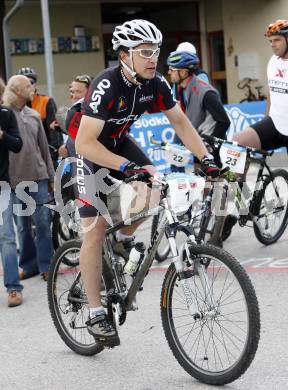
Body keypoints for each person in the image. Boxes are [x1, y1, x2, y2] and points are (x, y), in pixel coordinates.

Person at [74, 19, 220, 347]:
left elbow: (180, 122)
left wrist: (207, 159)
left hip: (119, 142)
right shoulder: (107, 85)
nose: (153, 58)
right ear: (125, 55)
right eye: (144, 52)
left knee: (156, 185)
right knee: (95, 229)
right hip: (89, 150)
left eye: (155, 51)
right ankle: (96, 311)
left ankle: (123, 238)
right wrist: (127, 167)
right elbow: (84, 143)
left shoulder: (154, 84)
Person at [167, 49, 232, 247]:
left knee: (217, 187)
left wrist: (212, 146)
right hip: (198, 141)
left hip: (211, 143)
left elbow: (224, 120)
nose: (169, 73)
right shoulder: (182, 88)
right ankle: (210, 220)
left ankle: (217, 234)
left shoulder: (205, 91)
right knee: (203, 186)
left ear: (184, 72)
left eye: (172, 69)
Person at [3, 75, 55, 282]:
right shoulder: (5, 115)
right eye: (27, 85)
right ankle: (29, 265)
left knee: (42, 223)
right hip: (15, 180)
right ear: (16, 90)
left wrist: (51, 177)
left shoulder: (34, 115)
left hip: (39, 177)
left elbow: (43, 147)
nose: (32, 88)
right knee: (23, 227)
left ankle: (47, 265)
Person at [234, 20, 288, 184]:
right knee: (238, 143)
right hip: (274, 124)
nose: (272, 45)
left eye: (277, 40)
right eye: (270, 41)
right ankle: (239, 194)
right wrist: (266, 118)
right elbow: (271, 93)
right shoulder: (273, 61)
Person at [0, 77, 23, 307]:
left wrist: (2, 136)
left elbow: (17, 144)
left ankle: (14, 288)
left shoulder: (5, 115)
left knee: (6, 236)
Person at [17, 67, 63, 168]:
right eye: (24, 83)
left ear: (35, 84)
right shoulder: (12, 105)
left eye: (31, 82)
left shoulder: (46, 101)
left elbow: (54, 132)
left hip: (45, 158)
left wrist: (52, 155)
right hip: (21, 160)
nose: (28, 86)